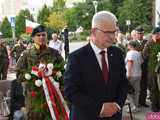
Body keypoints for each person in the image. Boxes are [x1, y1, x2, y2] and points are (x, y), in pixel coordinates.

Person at [64, 11, 128, 120]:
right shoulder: (76, 58)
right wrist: (100, 109)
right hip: (86, 116)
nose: (112, 36)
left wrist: (117, 105)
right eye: (107, 32)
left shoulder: (117, 53)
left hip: (114, 116)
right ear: (93, 32)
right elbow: (71, 92)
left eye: (114, 32)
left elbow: (123, 83)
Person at [16, 25, 65, 119]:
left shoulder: (54, 53)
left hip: (53, 97)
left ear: (47, 36)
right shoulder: (26, 55)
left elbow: (63, 72)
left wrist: (53, 74)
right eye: (38, 35)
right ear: (33, 37)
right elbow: (18, 75)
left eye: (43, 35)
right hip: (34, 100)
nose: (41, 37)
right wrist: (33, 75)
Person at [142, 27, 160, 112]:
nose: (158, 36)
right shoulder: (149, 43)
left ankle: (158, 104)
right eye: (158, 34)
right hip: (151, 70)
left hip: (158, 69)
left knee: (158, 88)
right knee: (153, 88)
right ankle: (154, 106)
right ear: (154, 34)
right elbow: (144, 56)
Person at [125, 41, 143, 112]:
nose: (127, 47)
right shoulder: (138, 53)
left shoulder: (130, 53)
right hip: (138, 74)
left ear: (130, 46)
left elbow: (130, 63)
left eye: (128, 45)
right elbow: (141, 63)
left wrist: (128, 74)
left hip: (131, 74)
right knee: (136, 92)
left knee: (126, 91)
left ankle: (133, 106)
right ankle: (135, 106)